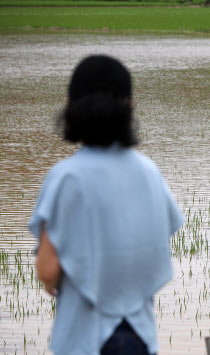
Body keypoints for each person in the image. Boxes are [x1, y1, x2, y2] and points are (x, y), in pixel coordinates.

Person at [29, 55, 184, 354]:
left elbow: (48, 270)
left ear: (71, 107)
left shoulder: (67, 177)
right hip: (140, 336)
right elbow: (156, 243)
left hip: (86, 338)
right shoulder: (149, 171)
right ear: (129, 108)